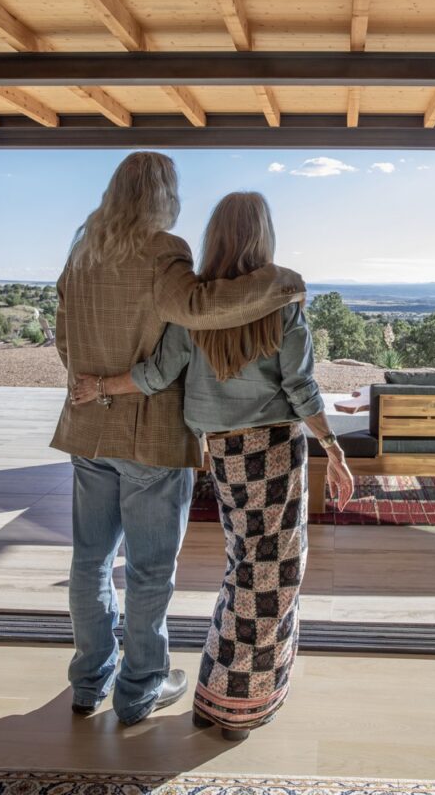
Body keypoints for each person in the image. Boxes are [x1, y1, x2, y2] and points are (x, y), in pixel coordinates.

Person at [72, 191, 354, 742]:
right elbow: (299, 387)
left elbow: (156, 374)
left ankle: (212, 693)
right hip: (271, 449)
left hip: (221, 451)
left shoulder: (193, 307)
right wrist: (333, 446)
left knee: (243, 566)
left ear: (215, 237)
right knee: (272, 574)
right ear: (262, 236)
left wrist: (100, 387)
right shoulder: (282, 303)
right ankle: (236, 706)